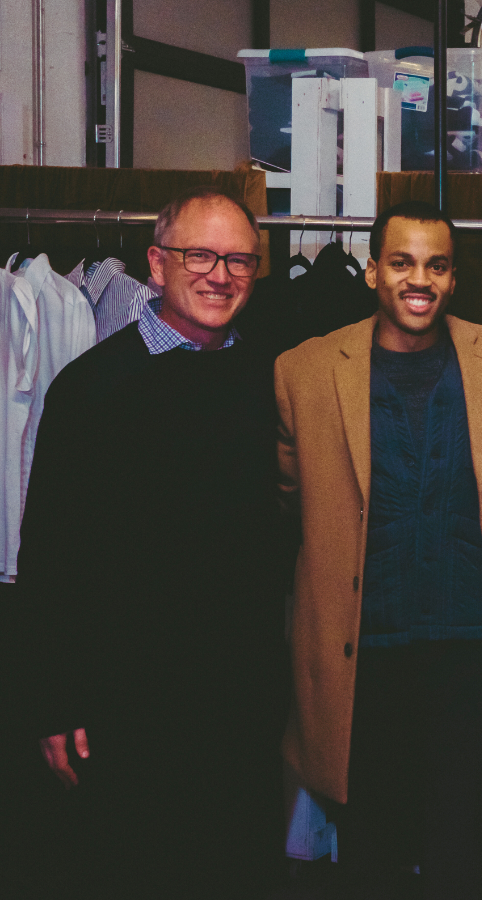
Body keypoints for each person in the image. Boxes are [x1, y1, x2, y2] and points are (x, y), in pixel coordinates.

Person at [20, 185, 290, 896]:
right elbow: (49, 558)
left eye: (239, 260)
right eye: (199, 254)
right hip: (126, 709)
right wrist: (52, 704)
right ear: (157, 264)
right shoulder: (91, 390)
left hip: (240, 706)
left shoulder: (274, 382)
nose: (220, 274)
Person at [275, 200, 482, 899]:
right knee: (370, 865)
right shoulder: (304, 371)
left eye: (437, 265)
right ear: (371, 271)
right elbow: (282, 511)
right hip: (363, 664)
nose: (419, 279)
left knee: (463, 861)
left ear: (454, 279)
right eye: (402, 262)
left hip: (469, 665)